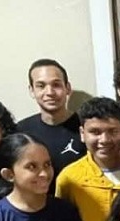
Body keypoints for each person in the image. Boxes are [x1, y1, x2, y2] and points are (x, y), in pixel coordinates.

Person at [17, 59, 87, 189]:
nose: (49, 92)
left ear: (67, 88)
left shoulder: (87, 127)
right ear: (32, 90)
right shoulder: (21, 131)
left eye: (56, 85)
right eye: (41, 86)